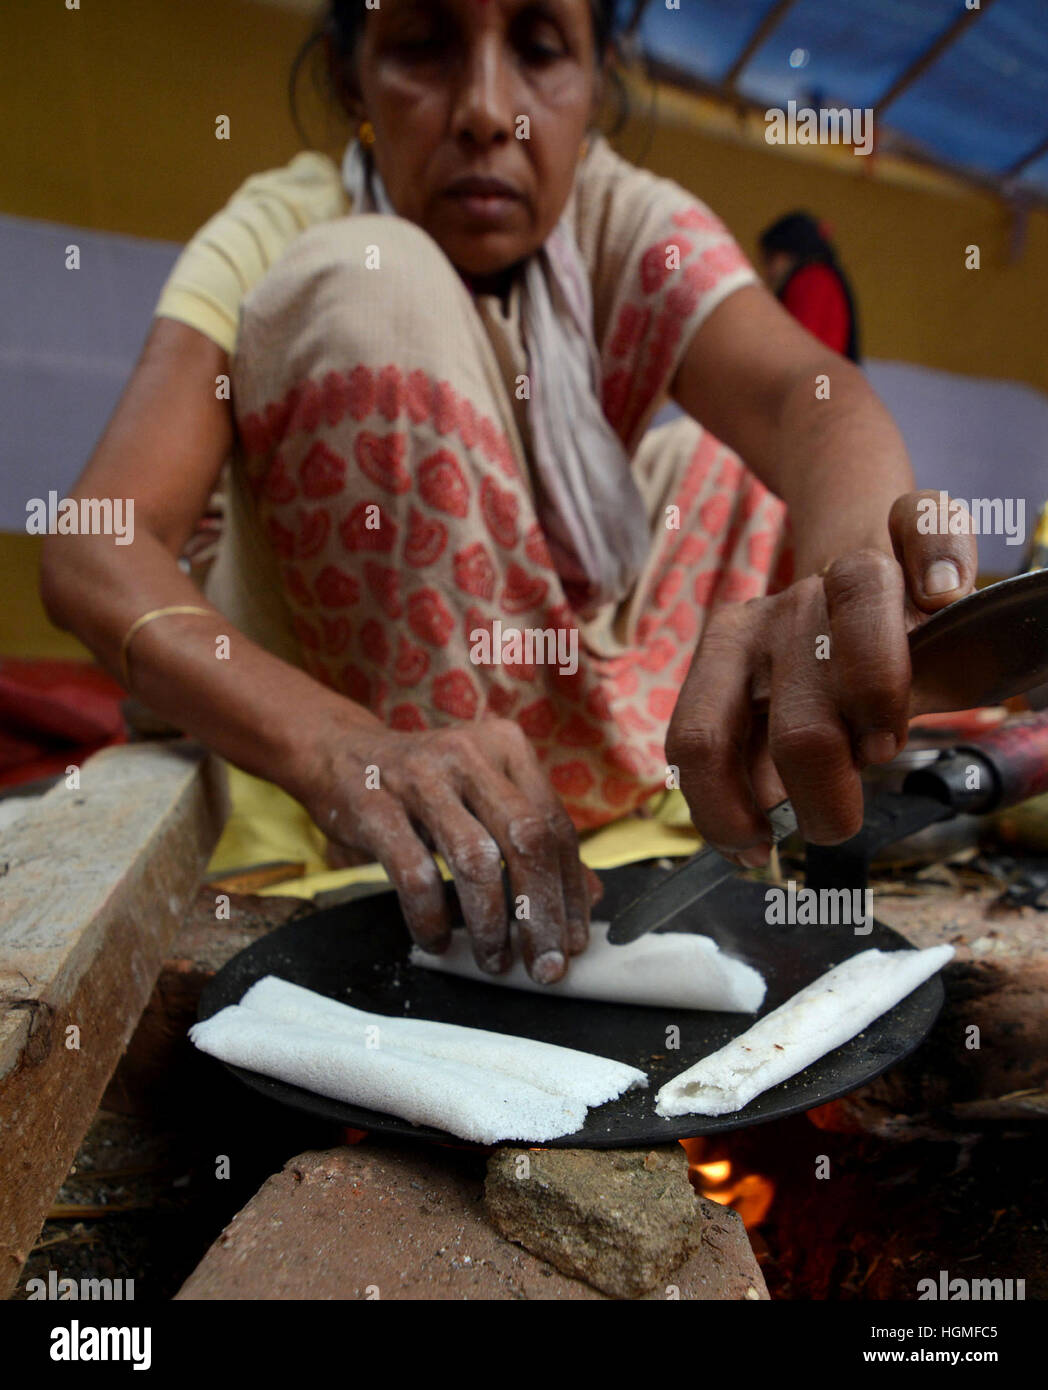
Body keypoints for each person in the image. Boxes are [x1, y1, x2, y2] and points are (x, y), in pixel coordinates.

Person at [40, 0, 975, 986]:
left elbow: (808, 397)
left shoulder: (626, 218)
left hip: (557, 667)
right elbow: (98, 545)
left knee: (726, 465)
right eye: (423, 46)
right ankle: (439, 819)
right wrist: (333, 745)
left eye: (537, 49)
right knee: (372, 279)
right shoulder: (281, 221)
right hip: (345, 711)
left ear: (595, 84)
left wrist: (840, 593)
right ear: (353, 78)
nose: (489, 111)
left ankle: (574, 792)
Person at [758, 211, 861, 362]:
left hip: (817, 379)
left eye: (770, 260)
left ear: (787, 253)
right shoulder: (822, 277)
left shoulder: (812, 280)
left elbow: (798, 346)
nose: (768, 272)